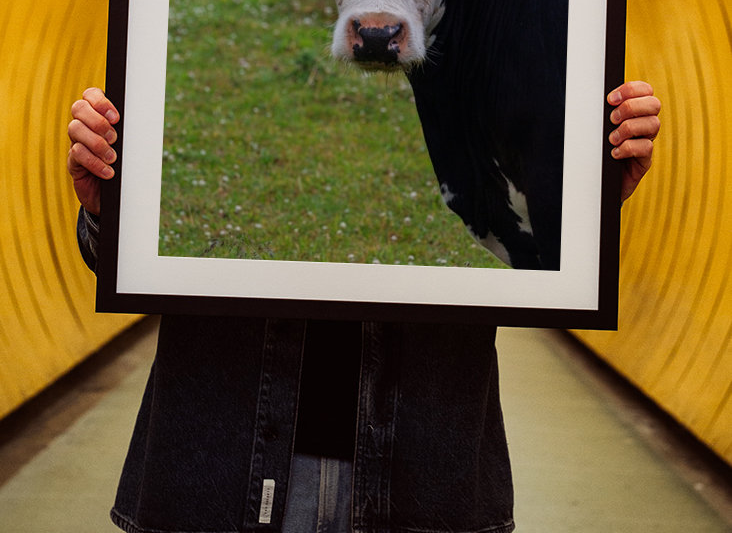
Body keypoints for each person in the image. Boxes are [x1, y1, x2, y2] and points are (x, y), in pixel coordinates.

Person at [68, 81, 661, 533]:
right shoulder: (220, 101)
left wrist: (578, 207)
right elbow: (122, 257)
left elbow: (518, 246)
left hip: (423, 479)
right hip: (218, 470)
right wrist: (110, 211)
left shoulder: (486, 54)